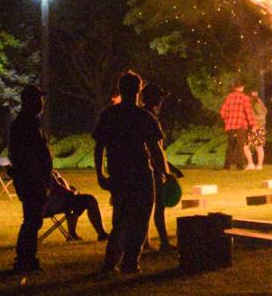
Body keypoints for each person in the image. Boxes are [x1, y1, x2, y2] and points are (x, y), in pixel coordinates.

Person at [93, 71, 167, 275]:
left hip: (119, 173)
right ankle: (131, 262)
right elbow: (155, 148)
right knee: (141, 218)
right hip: (141, 173)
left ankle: (111, 263)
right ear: (139, 89)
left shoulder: (109, 115)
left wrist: (100, 174)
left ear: (120, 89)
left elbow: (99, 146)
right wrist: (165, 173)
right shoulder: (144, 116)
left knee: (121, 220)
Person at [8, 85, 55, 273]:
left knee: (33, 219)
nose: (41, 103)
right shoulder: (25, 124)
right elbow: (27, 156)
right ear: (30, 102)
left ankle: (27, 258)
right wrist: (38, 179)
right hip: (31, 179)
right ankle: (24, 260)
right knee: (32, 219)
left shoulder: (29, 123)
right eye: (38, 99)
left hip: (33, 178)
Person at [140, 83, 182, 252]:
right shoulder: (148, 117)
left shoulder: (146, 115)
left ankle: (148, 242)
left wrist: (170, 167)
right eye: (159, 97)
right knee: (156, 206)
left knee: (152, 206)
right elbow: (153, 148)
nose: (161, 101)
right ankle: (160, 242)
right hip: (152, 168)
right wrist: (163, 171)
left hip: (154, 166)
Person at [45, 170, 109, 242]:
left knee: (76, 203)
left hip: (49, 204)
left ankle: (72, 234)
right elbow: (57, 188)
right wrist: (72, 192)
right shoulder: (44, 170)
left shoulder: (41, 169)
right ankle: (100, 233)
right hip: (51, 205)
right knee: (89, 200)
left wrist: (70, 189)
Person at [218, 82, 256, 170]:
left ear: (234, 88)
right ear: (242, 88)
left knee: (230, 145)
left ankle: (226, 166)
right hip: (241, 125)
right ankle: (240, 166)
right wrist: (252, 125)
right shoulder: (244, 98)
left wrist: (227, 119)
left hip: (230, 125)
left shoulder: (229, 97)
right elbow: (248, 112)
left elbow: (222, 112)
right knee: (240, 145)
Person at [247, 91, 268, 170]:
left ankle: (259, 165)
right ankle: (251, 164)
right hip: (254, 127)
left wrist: (254, 121)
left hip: (258, 128)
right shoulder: (254, 104)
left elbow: (262, 116)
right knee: (246, 146)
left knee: (258, 147)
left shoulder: (257, 105)